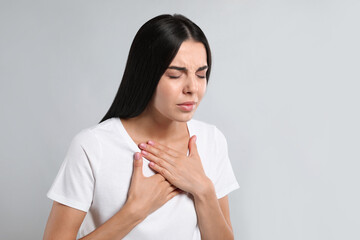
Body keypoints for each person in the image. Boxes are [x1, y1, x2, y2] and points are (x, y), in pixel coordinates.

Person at [43, 14, 239, 240]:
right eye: (175, 75)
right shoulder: (92, 147)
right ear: (146, 75)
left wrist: (203, 190)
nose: (192, 88)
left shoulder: (211, 140)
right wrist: (134, 211)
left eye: (201, 74)